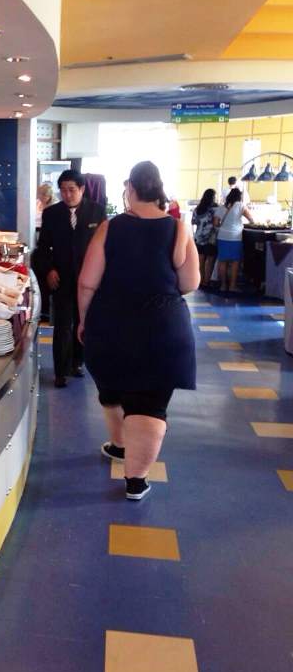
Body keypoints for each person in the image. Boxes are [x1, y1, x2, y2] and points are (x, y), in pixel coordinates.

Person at [78, 161, 199, 501]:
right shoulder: (177, 229)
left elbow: (87, 283)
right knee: (149, 402)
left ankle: (120, 444)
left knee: (113, 386)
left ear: (130, 189)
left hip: (111, 323)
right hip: (163, 326)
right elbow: (190, 283)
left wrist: (84, 321)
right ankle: (135, 480)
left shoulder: (110, 227)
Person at [38, 169, 106, 388]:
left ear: (82, 189)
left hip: (89, 279)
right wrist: (49, 270)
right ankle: (60, 372)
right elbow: (43, 248)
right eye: (63, 190)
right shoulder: (52, 214)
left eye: (72, 190)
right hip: (62, 278)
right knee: (62, 325)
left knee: (83, 322)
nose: (67, 195)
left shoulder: (97, 212)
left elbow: (104, 248)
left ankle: (77, 363)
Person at [213, 187, 254, 293]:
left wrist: (224, 226)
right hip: (235, 237)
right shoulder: (241, 206)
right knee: (235, 262)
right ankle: (232, 286)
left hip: (222, 237)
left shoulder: (222, 207)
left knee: (222, 261)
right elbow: (251, 219)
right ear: (239, 197)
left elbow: (215, 223)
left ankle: (223, 286)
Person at [33, 183, 55, 321]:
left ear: (48, 196)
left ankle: (46, 312)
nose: (40, 198)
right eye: (39, 195)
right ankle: (43, 310)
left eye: (42, 195)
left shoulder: (54, 208)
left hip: (49, 248)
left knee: (45, 280)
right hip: (38, 242)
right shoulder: (37, 204)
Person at [191, 188, 218, 287]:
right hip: (210, 238)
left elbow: (193, 222)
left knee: (201, 260)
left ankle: (201, 281)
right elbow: (216, 223)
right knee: (210, 261)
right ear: (213, 197)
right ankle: (206, 281)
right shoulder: (214, 209)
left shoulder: (198, 209)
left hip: (198, 237)